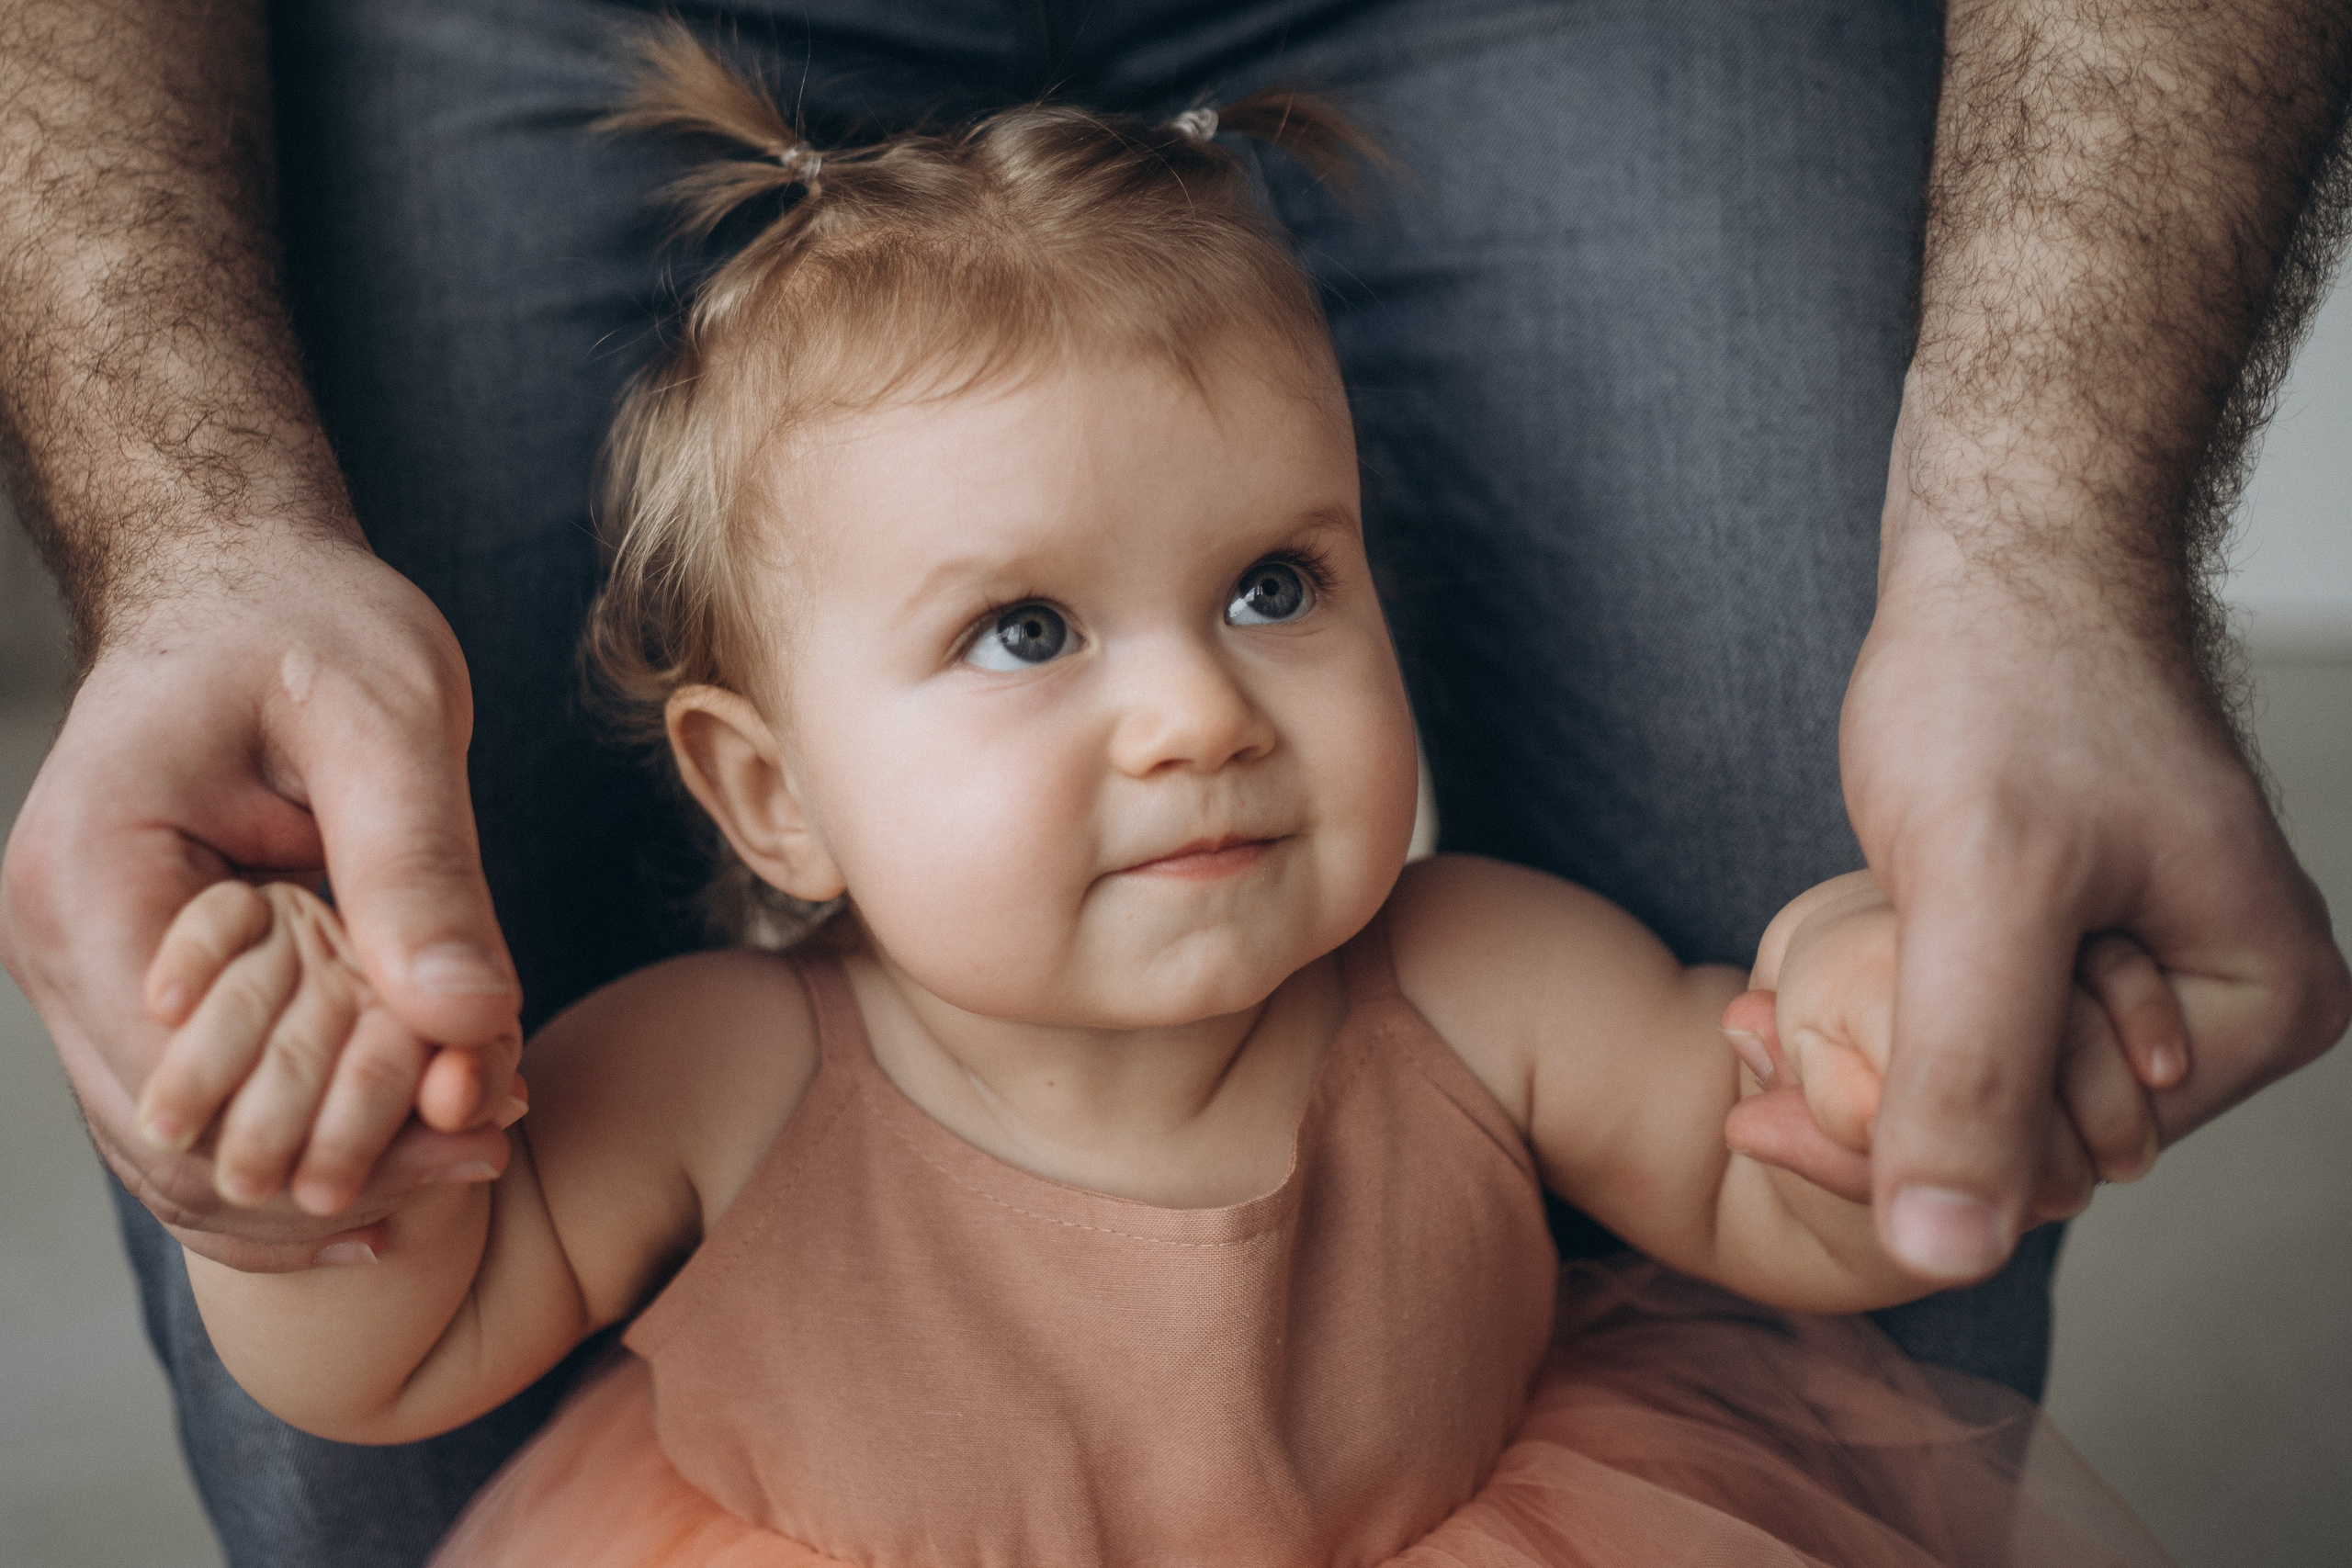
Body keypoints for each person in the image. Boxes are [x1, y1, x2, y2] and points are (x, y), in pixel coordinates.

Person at [0, 2, 2343, 1565]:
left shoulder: (1479, 975)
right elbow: (403, 1348)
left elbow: (1788, 1218)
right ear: (768, 791)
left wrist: (1850, 1011)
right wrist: (304, 1187)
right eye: (1024, 631)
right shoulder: (722, 1069)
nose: (1195, 713)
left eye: (1270, 584)